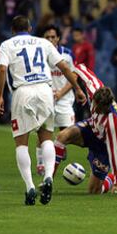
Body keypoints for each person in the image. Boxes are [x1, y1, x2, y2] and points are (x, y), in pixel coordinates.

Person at [0, 16, 86, 206]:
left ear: (13, 30)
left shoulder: (7, 44)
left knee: (21, 143)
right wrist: (77, 88)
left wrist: (0, 96)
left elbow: (2, 70)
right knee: (46, 138)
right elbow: (63, 66)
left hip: (23, 92)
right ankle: (48, 177)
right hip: (45, 91)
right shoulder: (43, 42)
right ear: (29, 28)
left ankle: (29, 187)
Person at [54, 64, 117, 195]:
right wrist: (77, 89)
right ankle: (49, 178)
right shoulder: (93, 86)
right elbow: (79, 68)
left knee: (94, 191)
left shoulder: (113, 124)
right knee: (62, 136)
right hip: (91, 127)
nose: (97, 110)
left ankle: (109, 179)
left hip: (104, 144)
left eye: (102, 110)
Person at [35, 24, 76, 175]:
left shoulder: (67, 54)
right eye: (47, 37)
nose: (51, 40)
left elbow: (73, 75)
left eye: (53, 37)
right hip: (45, 99)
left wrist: (60, 93)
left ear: (58, 38)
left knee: (66, 133)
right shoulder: (38, 55)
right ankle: (41, 163)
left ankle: (60, 147)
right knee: (43, 131)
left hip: (64, 99)